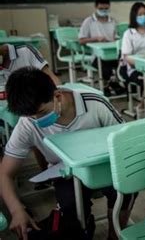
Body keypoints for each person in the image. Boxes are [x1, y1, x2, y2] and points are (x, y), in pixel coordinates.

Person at [0, 67, 135, 240]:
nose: (37, 121)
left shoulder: (95, 103)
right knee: (71, 209)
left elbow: (125, 142)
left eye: (41, 113)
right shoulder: (27, 123)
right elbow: (5, 173)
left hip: (103, 166)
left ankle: (114, 234)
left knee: (124, 189)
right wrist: (16, 210)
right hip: (64, 173)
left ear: (57, 97)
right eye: (31, 116)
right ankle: (84, 229)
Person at [0, 43, 60, 176]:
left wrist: (58, 98)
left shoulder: (25, 52)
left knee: (38, 127)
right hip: (9, 112)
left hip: (31, 108)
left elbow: (52, 79)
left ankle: (48, 173)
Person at [79, 0, 123, 96]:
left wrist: (115, 40)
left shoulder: (112, 21)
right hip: (95, 56)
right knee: (106, 69)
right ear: (95, 7)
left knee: (123, 65)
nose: (104, 11)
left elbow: (115, 37)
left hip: (111, 54)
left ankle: (119, 85)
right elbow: (81, 40)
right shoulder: (89, 22)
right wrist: (95, 39)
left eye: (106, 9)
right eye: (101, 8)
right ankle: (107, 86)